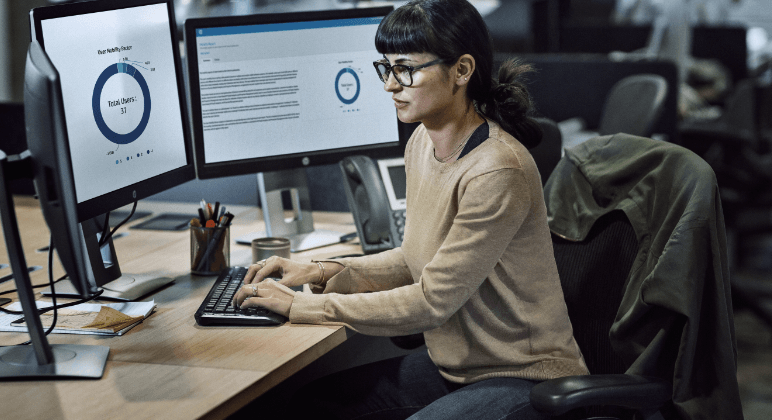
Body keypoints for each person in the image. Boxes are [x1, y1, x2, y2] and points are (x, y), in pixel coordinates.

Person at [232, 0, 588, 418]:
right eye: (386, 68)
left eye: (405, 69)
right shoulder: (423, 141)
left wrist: (300, 307)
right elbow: (413, 257)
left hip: (524, 376)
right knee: (312, 404)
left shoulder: (496, 170)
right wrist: (323, 270)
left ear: (461, 70)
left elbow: (431, 301)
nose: (389, 85)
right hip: (459, 367)